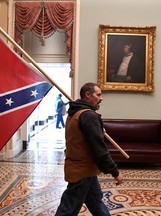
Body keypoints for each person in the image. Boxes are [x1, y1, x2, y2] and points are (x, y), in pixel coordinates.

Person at [55, 82, 123, 216]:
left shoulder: (76, 113)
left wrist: (97, 127)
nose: (101, 98)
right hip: (81, 171)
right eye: (98, 94)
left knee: (96, 203)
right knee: (67, 209)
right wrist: (114, 171)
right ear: (88, 94)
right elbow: (99, 149)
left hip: (86, 170)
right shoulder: (88, 116)